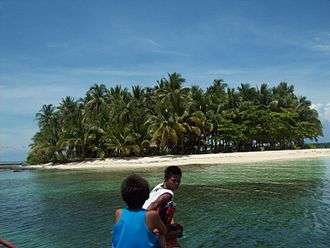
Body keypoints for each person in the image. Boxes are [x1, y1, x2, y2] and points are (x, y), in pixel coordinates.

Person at [112, 174, 166, 248]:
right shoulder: (151, 215)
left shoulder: (119, 213)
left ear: (123, 196)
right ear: (147, 196)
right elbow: (164, 231)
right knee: (160, 235)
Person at [143, 166, 183, 245]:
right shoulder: (168, 195)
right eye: (174, 181)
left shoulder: (159, 186)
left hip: (142, 215)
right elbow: (153, 205)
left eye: (179, 181)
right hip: (145, 222)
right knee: (179, 229)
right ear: (166, 179)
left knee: (171, 206)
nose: (177, 184)